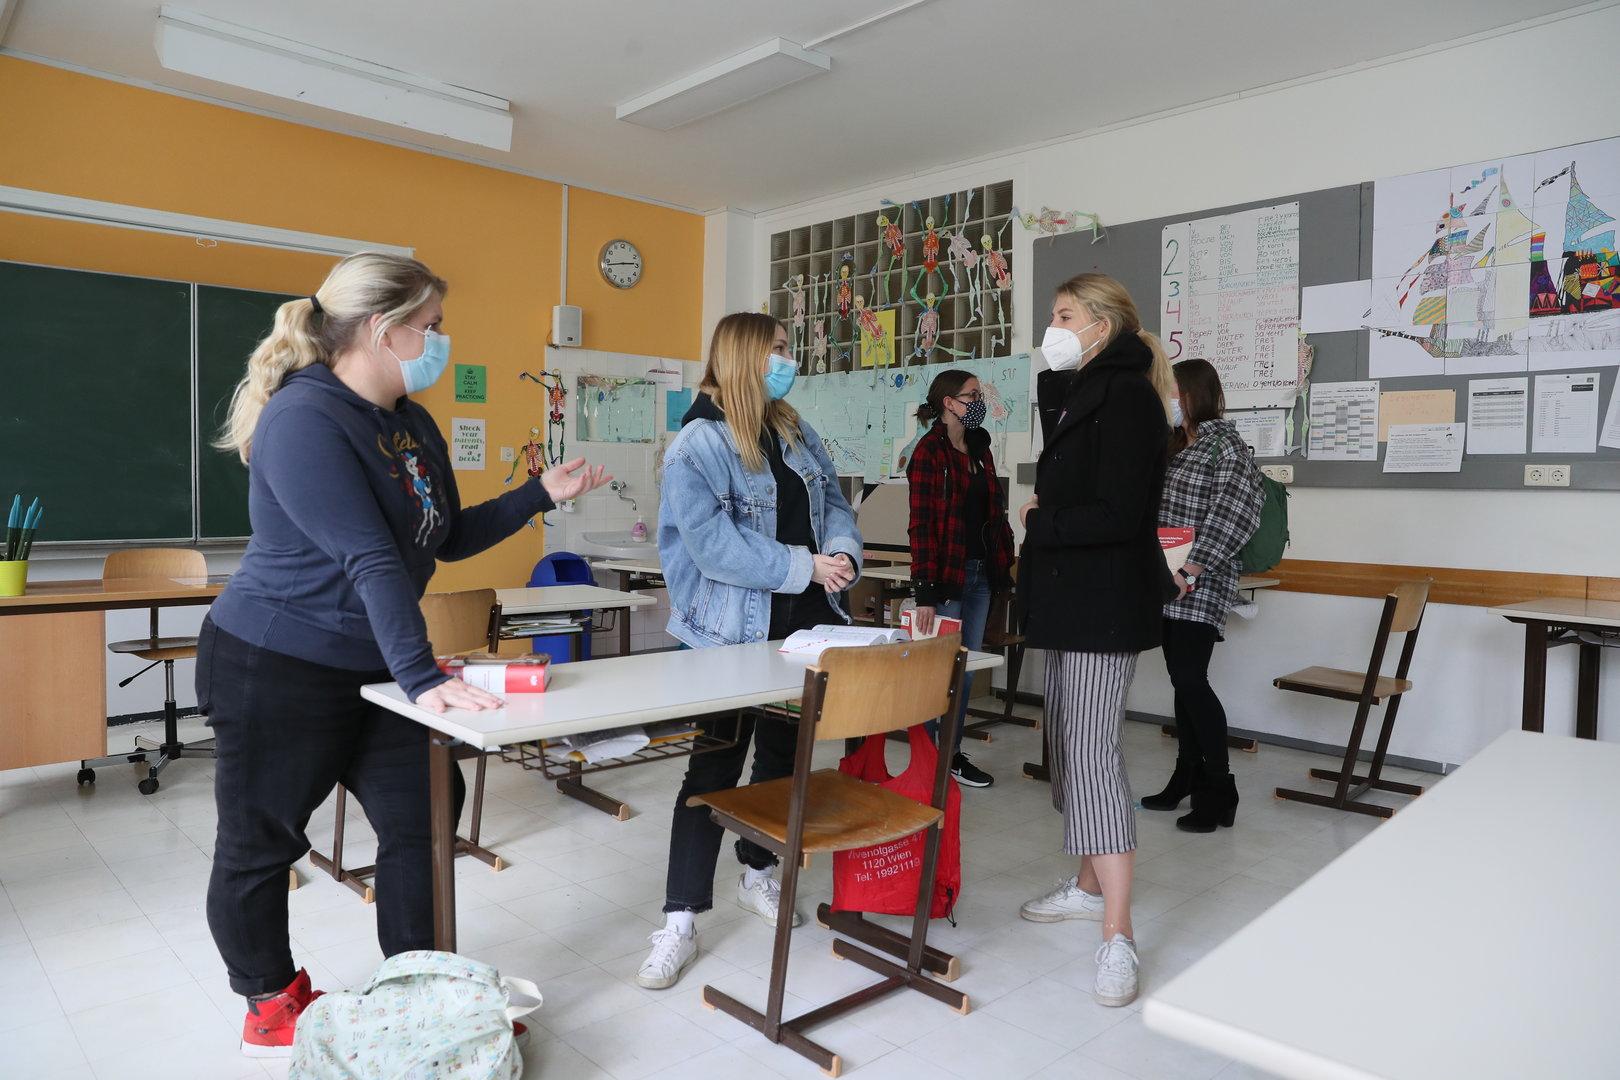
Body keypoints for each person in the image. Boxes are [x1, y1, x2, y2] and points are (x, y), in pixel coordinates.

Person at [201, 252, 609, 1056]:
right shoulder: (305, 419)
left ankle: (421, 986)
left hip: (374, 664)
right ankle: (270, 1004)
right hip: (276, 662)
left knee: (424, 816)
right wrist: (423, 677)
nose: (440, 340)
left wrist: (538, 494)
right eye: (431, 325)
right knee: (263, 840)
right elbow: (371, 558)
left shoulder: (411, 423)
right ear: (383, 330)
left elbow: (443, 537)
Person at [639, 312, 862, 990]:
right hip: (730, 636)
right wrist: (805, 566)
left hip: (805, 630)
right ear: (745, 357)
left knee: (782, 761)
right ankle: (679, 919)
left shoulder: (793, 429)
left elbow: (837, 503)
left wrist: (844, 554)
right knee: (712, 771)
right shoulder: (697, 444)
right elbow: (713, 547)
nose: (789, 361)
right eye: (780, 350)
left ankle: (757, 871)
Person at [1015, 272, 1178, 1009]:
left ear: (1102, 325)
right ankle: (1087, 886)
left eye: (1064, 315)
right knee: (1070, 746)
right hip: (1071, 603)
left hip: (1100, 604)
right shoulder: (1088, 390)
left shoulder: (1130, 397)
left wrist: (1039, 521)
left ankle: (1118, 933)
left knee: (1091, 755)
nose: (1053, 328)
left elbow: (1117, 513)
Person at [1141, 358, 1263, 832]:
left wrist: (1191, 570)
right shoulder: (1175, 444)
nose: (1166, 398)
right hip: (1167, 579)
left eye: (1172, 390)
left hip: (1200, 579)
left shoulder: (1224, 445)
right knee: (1181, 679)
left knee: (1191, 678)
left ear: (1193, 394)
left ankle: (1219, 787)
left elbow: (1236, 515)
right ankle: (1186, 775)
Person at [905, 370, 1015, 787]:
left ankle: (950, 753)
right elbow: (921, 526)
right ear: (949, 402)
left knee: (965, 668)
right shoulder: (928, 453)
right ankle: (927, 759)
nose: (979, 401)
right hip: (947, 577)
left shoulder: (980, 448)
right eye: (972, 395)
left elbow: (994, 512)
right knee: (938, 672)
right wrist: (925, 592)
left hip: (981, 573)